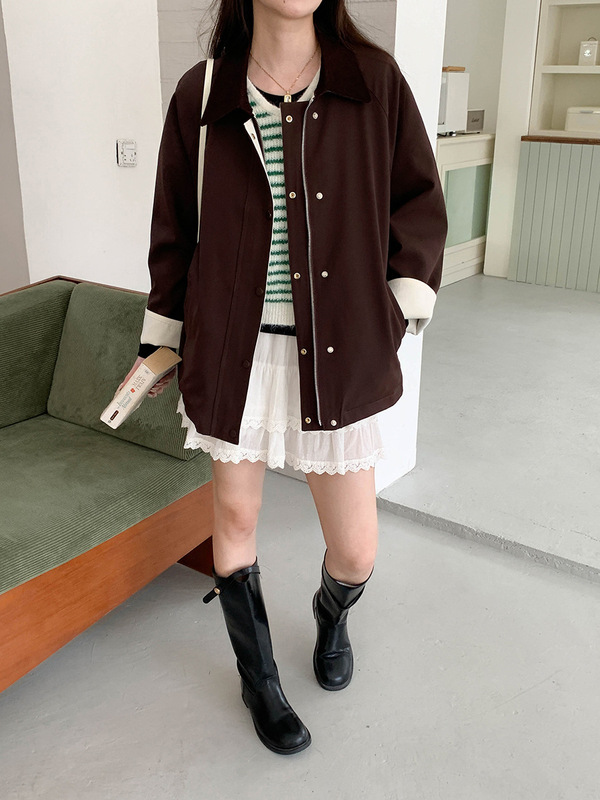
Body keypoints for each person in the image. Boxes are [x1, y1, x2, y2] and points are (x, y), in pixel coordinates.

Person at [118, 0, 447, 757]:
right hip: (234, 351)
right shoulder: (203, 92)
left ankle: (332, 616)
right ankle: (259, 679)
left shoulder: (373, 81)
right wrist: (161, 340)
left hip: (339, 351)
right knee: (235, 519)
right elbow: (174, 229)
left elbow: (419, 203)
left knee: (356, 549)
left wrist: (395, 310)